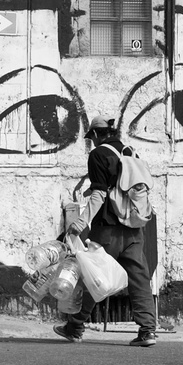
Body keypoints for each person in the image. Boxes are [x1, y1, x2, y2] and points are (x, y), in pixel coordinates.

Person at [57, 114, 157, 347]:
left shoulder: (98, 155)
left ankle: (75, 327)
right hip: (134, 228)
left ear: (94, 135)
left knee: (96, 277)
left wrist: (81, 223)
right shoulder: (130, 152)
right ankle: (148, 331)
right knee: (139, 279)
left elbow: (100, 194)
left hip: (107, 230)